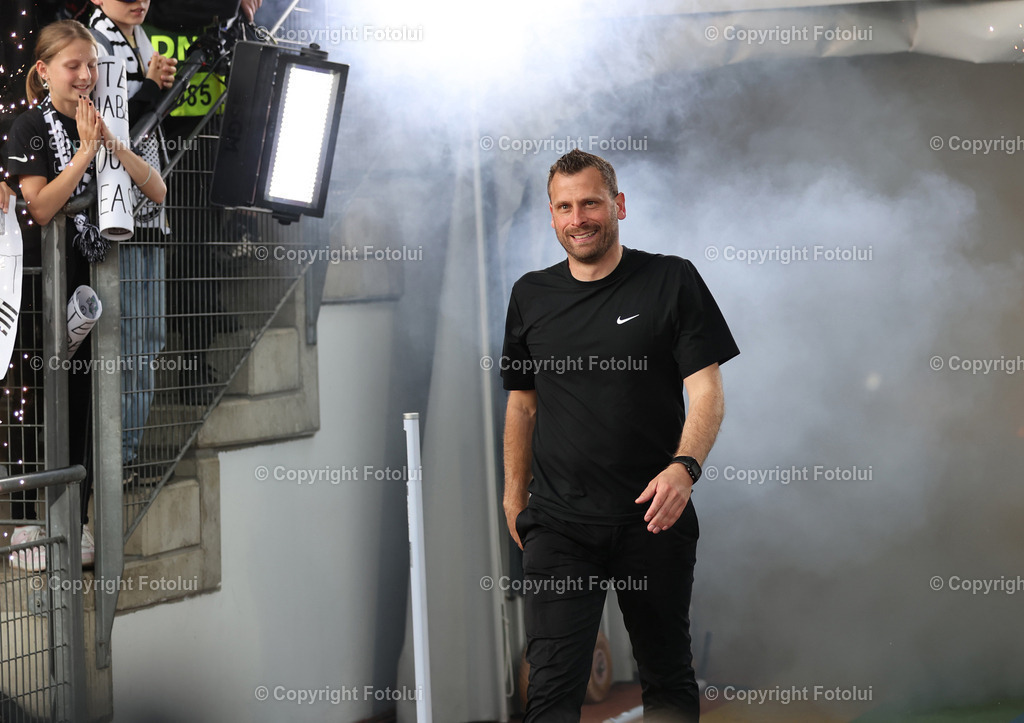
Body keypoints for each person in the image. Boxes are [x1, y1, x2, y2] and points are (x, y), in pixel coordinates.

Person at [501, 149, 740, 722]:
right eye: (564, 206)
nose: (577, 218)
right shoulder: (530, 294)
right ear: (552, 215)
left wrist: (685, 468)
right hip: (560, 525)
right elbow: (523, 404)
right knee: (553, 688)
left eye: (589, 202)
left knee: (667, 678)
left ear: (619, 205)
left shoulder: (671, 279)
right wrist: (514, 493)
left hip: (653, 516)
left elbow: (706, 393)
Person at [4, 18, 166, 569]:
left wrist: (110, 143)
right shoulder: (27, 126)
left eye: (92, 65)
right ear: (44, 71)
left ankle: (78, 519)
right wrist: (82, 156)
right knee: (36, 401)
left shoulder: (106, 117)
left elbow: (158, 189)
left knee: (89, 404)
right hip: (36, 291)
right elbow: (43, 207)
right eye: (73, 65)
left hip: (90, 290)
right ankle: (29, 521)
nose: (85, 75)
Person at [87, 0, 175, 485]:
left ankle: (125, 456)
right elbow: (109, 122)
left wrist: (154, 85)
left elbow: (146, 119)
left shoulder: (138, 38)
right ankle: (115, 459)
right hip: (119, 213)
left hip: (146, 210)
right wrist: (150, 86)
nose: (138, 0)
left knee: (149, 339)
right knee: (128, 342)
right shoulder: (92, 42)